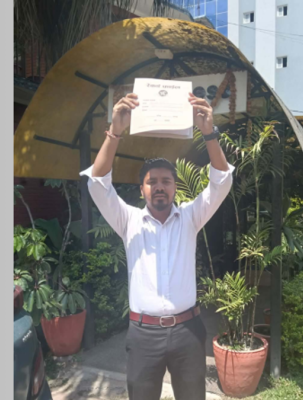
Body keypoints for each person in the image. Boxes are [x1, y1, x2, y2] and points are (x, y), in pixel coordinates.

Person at [80, 91, 235, 400]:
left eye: (166, 181)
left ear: (175, 187)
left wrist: (209, 133)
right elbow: (97, 184)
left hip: (188, 332)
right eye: (152, 182)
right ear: (142, 189)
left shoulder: (190, 217)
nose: (160, 187)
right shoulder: (128, 220)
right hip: (143, 335)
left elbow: (221, 182)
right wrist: (115, 131)